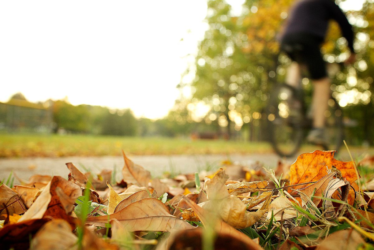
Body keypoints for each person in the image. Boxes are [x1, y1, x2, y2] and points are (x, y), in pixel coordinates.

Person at [279, 0, 356, 145]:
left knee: (297, 64)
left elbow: (286, 24)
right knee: (322, 81)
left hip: (286, 39)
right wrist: (351, 51)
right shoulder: (326, 2)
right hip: (308, 39)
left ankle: (291, 101)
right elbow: (345, 25)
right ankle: (318, 129)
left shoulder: (300, 3)